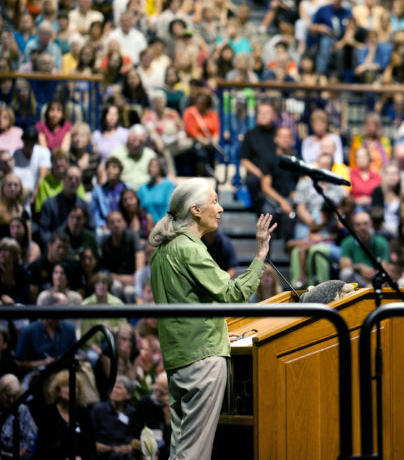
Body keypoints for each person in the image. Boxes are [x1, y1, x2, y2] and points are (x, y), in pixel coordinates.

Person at [149, 178, 276, 460]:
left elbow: (188, 305)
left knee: (180, 450)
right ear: (195, 210)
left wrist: (217, 333)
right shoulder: (191, 248)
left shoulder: (161, 251)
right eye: (214, 201)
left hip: (180, 359)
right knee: (194, 455)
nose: (219, 209)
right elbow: (232, 294)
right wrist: (260, 256)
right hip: (202, 363)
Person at [91, 375, 137, 460]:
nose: (114, 390)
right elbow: (91, 436)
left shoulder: (131, 412)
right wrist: (110, 448)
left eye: (119, 387)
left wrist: (129, 447)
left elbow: (133, 434)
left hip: (123, 451)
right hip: (102, 451)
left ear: (128, 395)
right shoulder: (99, 409)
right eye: (113, 386)